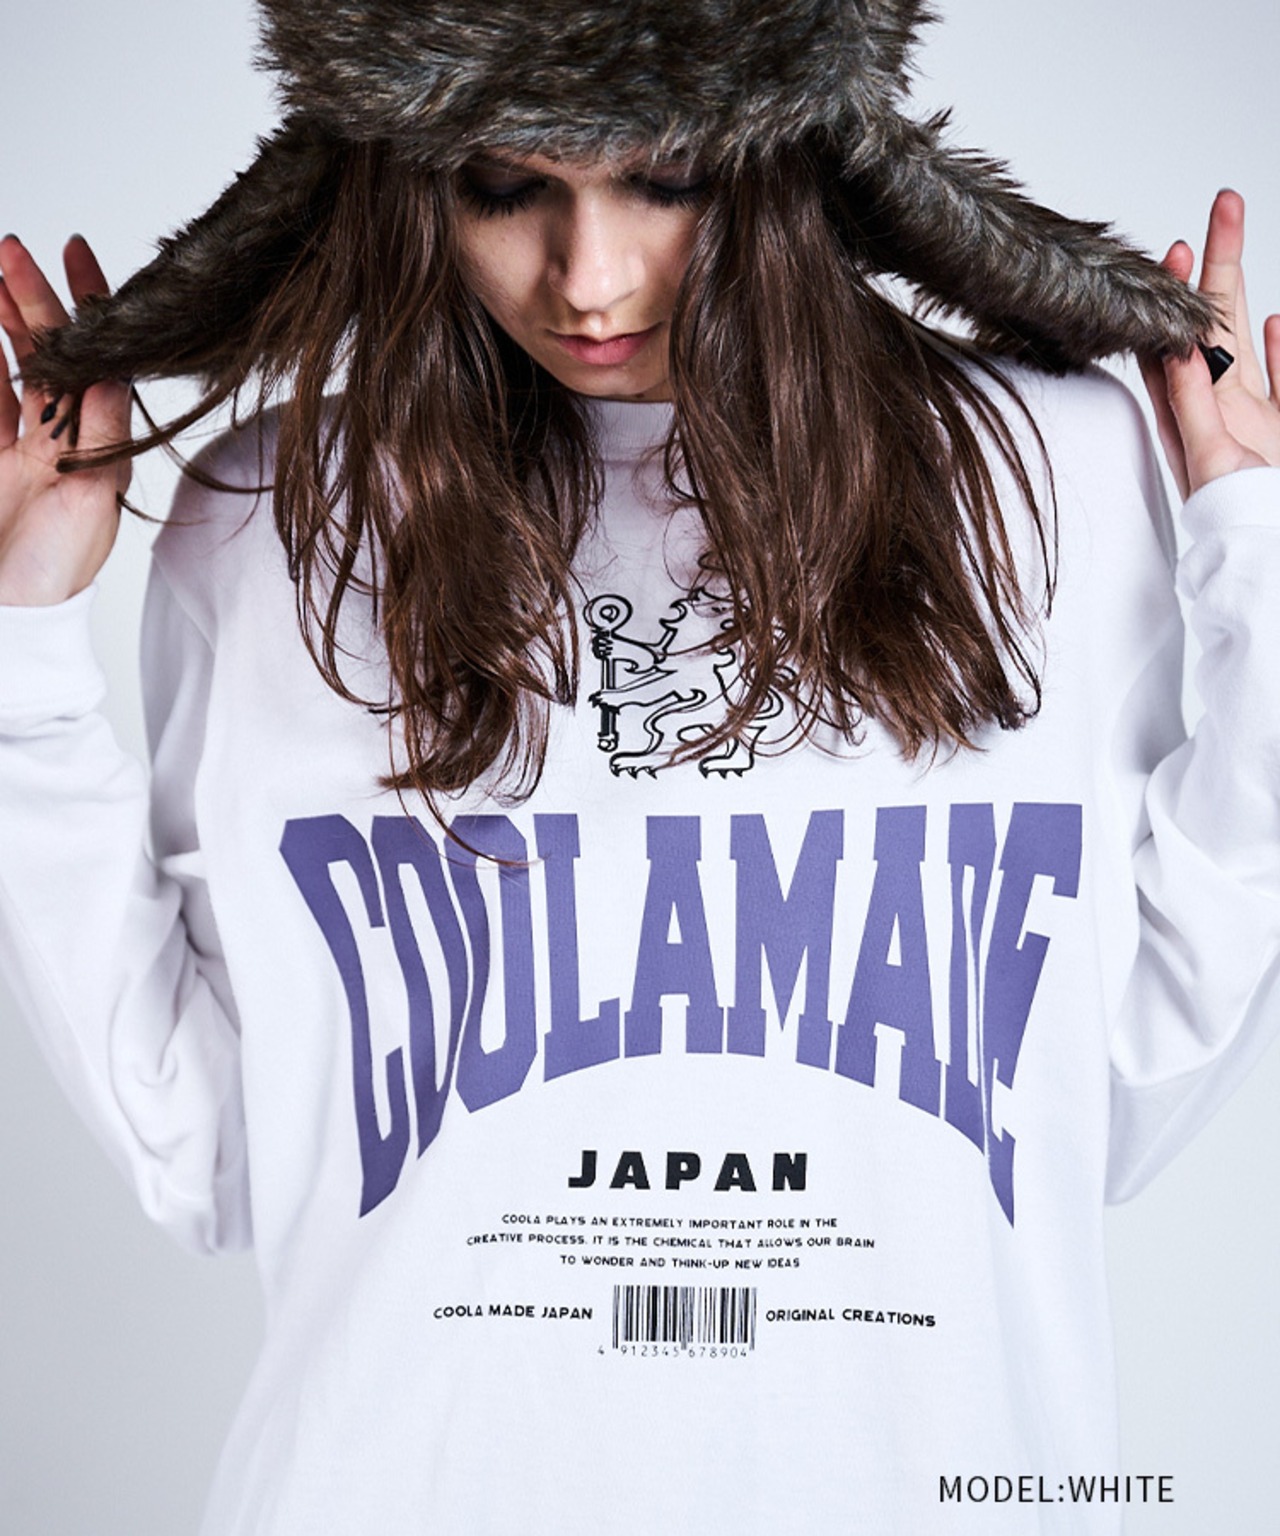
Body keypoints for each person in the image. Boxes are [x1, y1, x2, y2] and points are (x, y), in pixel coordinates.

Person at [1, 3, 1277, 1533]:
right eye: (504, 185)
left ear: (792, 151)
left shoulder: (1049, 476)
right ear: (407, 174)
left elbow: (1105, 1100)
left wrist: (1255, 557)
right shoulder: (273, 514)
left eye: (665, 176)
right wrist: (23, 654)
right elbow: (216, 1154)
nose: (589, 277)